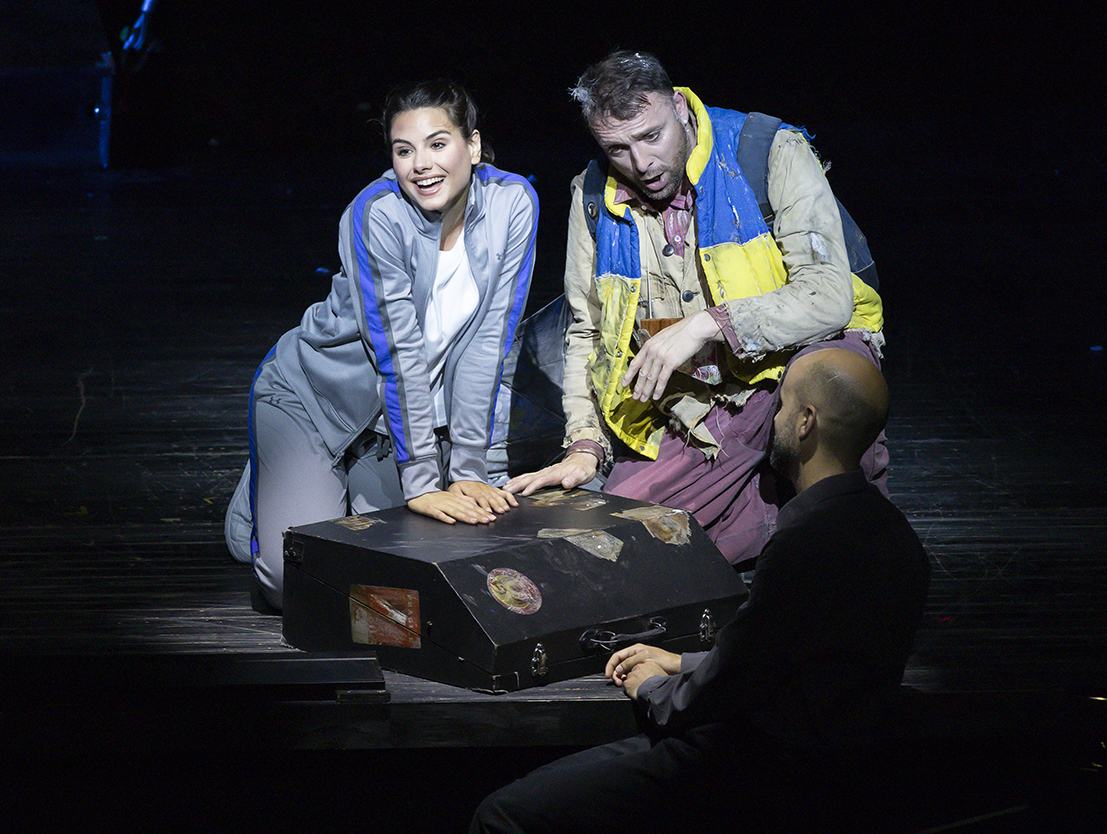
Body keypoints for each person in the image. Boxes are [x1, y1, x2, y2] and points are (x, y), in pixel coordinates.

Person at [469, 348, 931, 833]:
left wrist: (651, 685)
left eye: (782, 405)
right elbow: (805, 664)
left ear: (805, 422)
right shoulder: (897, 537)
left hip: (757, 768)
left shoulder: (804, 543)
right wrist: (683, 661)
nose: (772, 418)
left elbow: (726, 688)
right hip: (831, 771)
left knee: (503, 814)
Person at [504, 51, 887, 566]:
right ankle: (768, 528)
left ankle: (852, 541)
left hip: (793, 368)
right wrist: (585, 444)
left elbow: (828, 295)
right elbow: (587, 333)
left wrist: (709, 324)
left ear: (682, 110)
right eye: (618, 148)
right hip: (704, 405)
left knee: (832, 381)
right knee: (613, 540)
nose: (641, 163)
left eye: (651, 136)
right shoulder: (593, 195)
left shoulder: (765, 150)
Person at [223, 80, 539, 610]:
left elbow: (490, 343)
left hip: (389, 429)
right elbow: (400, 356)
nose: (421, 164)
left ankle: (344, 480)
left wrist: (467, 471)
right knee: (294, 584)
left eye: (438, 143)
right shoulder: (377, 213)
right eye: (403, 150)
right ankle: (264, 487)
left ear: (475, 146)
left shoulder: (513, 204)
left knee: (428, 568)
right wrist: (421, 482)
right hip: (314, 402)